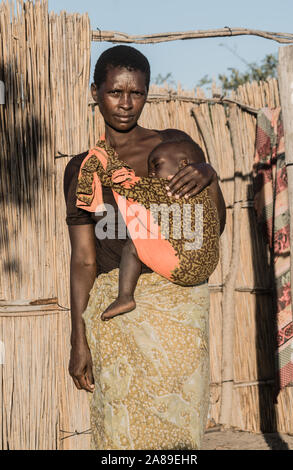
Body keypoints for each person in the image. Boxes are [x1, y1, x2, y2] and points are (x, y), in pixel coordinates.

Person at [64, 45, 226, 450]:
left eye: (136, 93)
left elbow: (212, 224)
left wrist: (210, 176)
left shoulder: (174, 150)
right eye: (115, 92)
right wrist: (78, 338)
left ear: (147, 93)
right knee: (120, 432)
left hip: (177, 310)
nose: (125, 103)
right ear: (95, 91)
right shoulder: (83, 168)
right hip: (116, 312)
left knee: (177, 431)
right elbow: (84, 259)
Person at [91, 138, 220, 321]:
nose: (151, 174)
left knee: (134, 243)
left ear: (183, 164)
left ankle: (125, 297)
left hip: (183, 266)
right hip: (208, 265)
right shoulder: (203, 190)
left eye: (156, 166)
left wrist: (108, 165)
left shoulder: (167, 188)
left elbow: (129, 187)